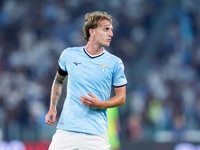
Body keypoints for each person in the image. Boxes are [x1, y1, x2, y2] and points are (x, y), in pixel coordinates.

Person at [45, 11, 127, 150]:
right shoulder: (69, 55)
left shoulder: (115, 63)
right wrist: (52, 107)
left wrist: (101, 104)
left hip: (96, 134)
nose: (111, 34)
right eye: (106, 29)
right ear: (92, 32)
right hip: (67, 130)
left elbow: (121, 97)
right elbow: (59, 81)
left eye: (111, 30)